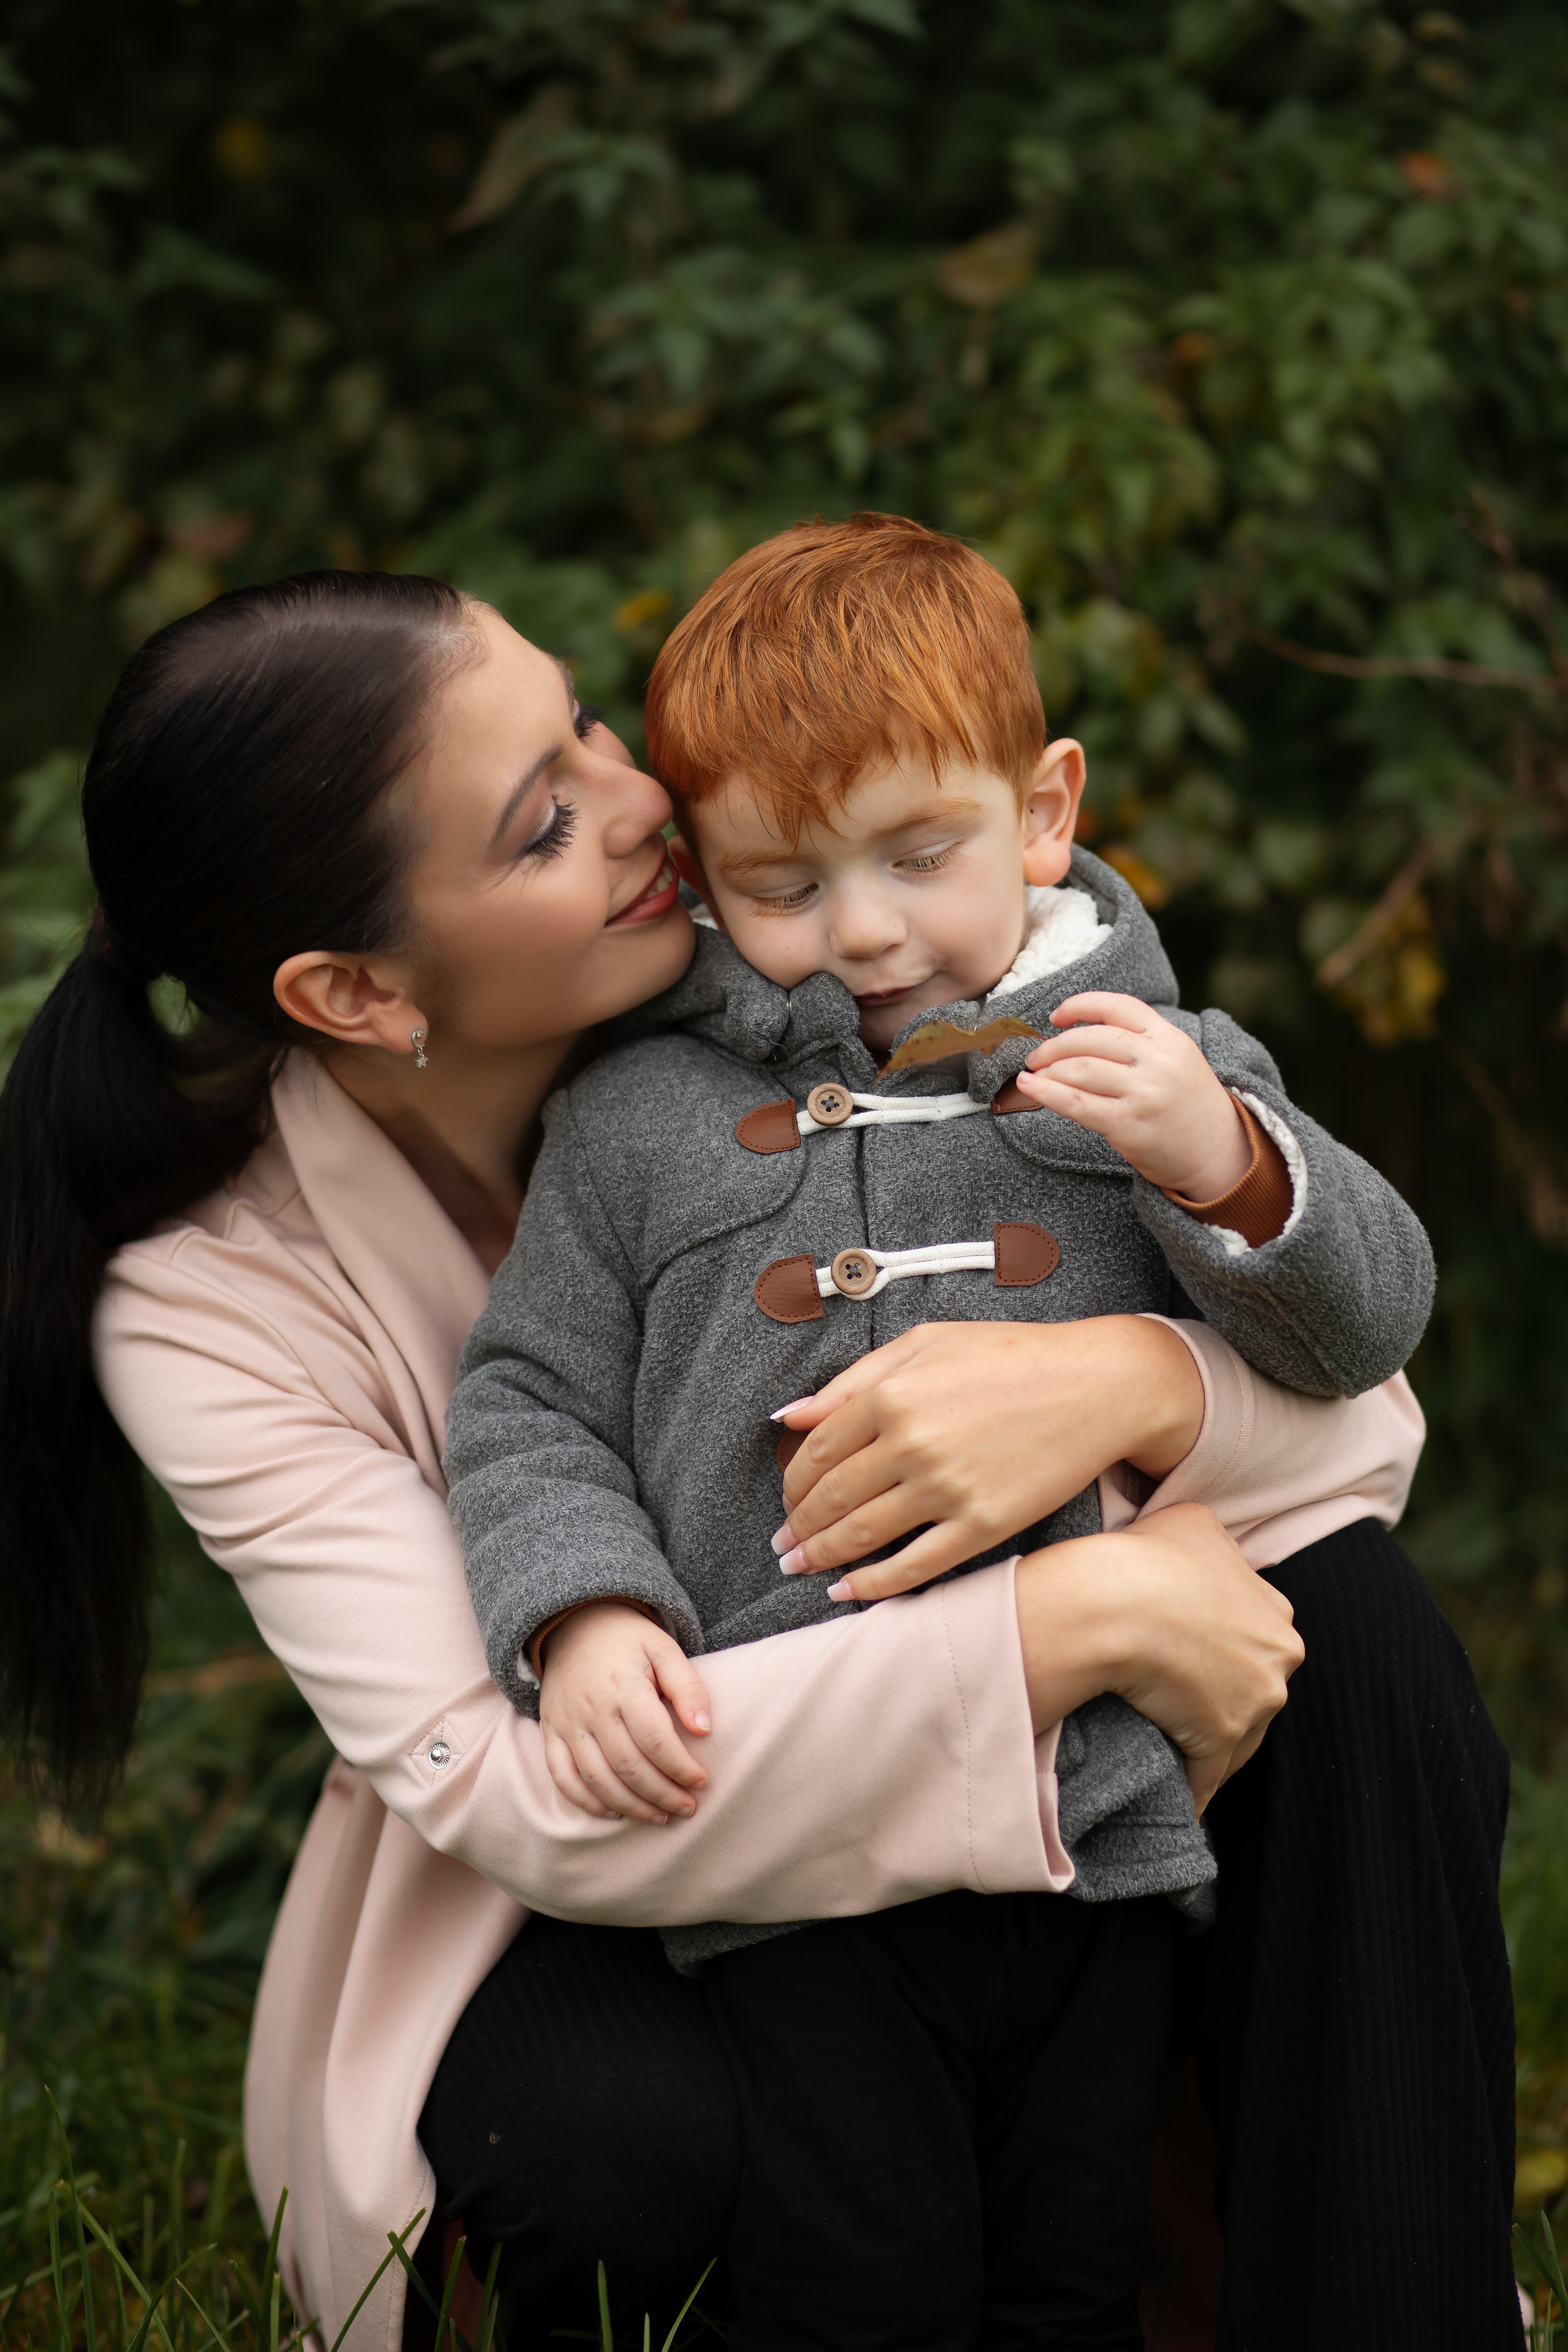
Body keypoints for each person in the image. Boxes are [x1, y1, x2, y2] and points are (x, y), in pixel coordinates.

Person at [0, 570, 1513, 2352]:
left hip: (1082, 1812)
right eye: (544, 819)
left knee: (1364, 1635)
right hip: (636, 1856)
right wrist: (1067, 1624)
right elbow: (520, 1788)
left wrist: (1125, 1382)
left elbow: (1366, 1422)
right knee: (624, 2147)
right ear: (353, 987)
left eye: (584, 722)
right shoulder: (216, 1306)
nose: (645, 799)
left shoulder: (903, 987)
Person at [440, 516, 1436, 2349]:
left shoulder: (1153, 1058)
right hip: (806, 1835)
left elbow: (1369, 1327)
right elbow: (526, 1398)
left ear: (1043, 813)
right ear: (703, 877)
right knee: (858, 2266)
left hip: (1096, 1818)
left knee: (1076, 2252)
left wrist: (1224, 1160)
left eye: (920, 855)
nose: (867, 931)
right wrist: (584, 1610)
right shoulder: (639, 1116)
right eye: (783, 884)